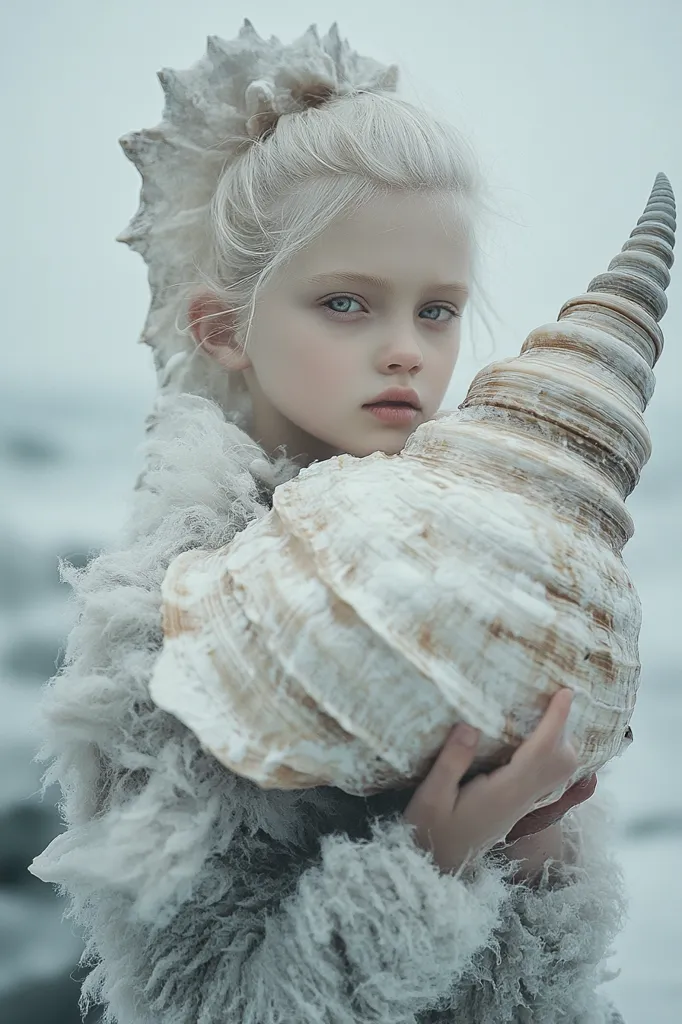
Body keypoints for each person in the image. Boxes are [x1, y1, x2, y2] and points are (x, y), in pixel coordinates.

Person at [29, 20, 627, 1024]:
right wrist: (434, 860)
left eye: (436, 311)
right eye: (348, 303)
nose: (405, 350)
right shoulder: (165, 619)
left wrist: (536, 856)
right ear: (223, 328)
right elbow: (204, 1006)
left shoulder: (476, 565)